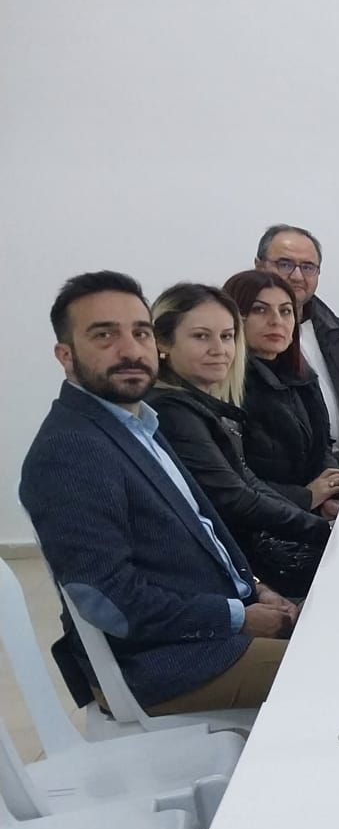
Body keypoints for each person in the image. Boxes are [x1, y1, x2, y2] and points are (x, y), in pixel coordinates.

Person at [19, 272, 295, 714]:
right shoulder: (71, 450)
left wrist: (257, 591)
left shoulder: (136, 424)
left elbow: (203, 532)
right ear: (65, 355)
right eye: (105, 335)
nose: (130, 350)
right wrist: (238, 618)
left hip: (209, 630)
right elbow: (110, 601)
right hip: (159, 665)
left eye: (140, 333)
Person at [149, 283, 330, 599]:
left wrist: (316, 524)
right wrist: (321, 529)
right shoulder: (171, 412)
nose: (219, 349)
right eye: (201, 336)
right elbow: (235, 499)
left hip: (244, 556)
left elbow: (246, 480)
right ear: (163, 342)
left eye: (227, 336)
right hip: (223, 574)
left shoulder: (199, 404)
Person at [222, 269, 339, 520]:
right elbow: (232, 481)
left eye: (286, 311)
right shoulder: (225, 388)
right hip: (263, 525)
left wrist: (328, 491)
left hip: (307, 514)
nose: (276, 321)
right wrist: (306, 497)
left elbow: (323, 446)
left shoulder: (302, 377)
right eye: (260, 310)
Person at [254, 223, 339, 459]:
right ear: (259, 266)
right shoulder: (245, 339)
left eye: (307, 267)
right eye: (285, 264)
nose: (297, 276)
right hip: (299, 476)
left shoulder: (337, 332)